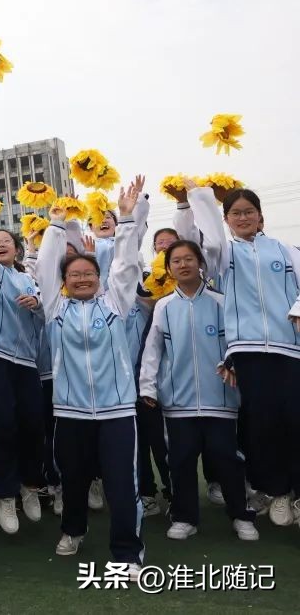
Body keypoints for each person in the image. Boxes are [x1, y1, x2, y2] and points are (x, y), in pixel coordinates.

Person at [37, 178, 145, 577]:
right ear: (64, 282)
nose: (81, 278)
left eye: (88, 273)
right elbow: (45, 268)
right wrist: (55, 225)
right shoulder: (55, 309)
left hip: (117, 413)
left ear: (99, 278)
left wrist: (127, 220)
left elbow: (126, 266)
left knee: (121, 483)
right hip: (70, 412)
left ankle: (127, 552)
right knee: (74, 479)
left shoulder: (115, 303)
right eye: (74, 275)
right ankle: (73, 530)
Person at [138, 203, 258, 542]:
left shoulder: (221, 301)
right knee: (181, 461)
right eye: (176, 261)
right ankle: (185, 517)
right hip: (179, 403)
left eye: (189, 258)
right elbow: (153, 351)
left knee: (227, 459)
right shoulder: (163, 306)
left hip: (221, 400)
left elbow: (236, 342)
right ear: (168, 268)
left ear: (200, 263)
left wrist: (233, 366)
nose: (183, 264)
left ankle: (241, 515)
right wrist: (148, 388)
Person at [191, 186, 300, 526]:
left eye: (248, 211)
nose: (243, 218)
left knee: (295, 419)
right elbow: (209, 240)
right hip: (247, 350)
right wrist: (199, 196)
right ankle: (277, 492)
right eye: (235, 213)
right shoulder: (224, 255)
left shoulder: (286, 250)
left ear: (260, 215)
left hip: (290, 348)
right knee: (262, 424)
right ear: (226, 220)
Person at [0, 229, 46, 534]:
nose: (0, 244)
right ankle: (5, 494)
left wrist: (37, 303)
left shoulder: (29, 279)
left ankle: (30, 485)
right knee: (2, 424)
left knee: (34, 424)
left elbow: (47, 314)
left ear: (17, 250)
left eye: (6, 241)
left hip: (26, 360)